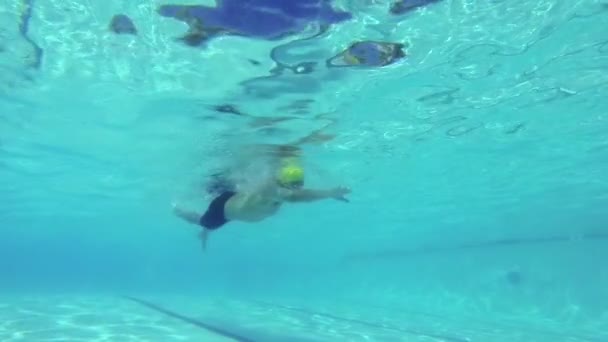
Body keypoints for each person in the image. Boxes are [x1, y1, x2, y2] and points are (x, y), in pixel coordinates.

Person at [173, 156, 351, 250]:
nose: (296, 189)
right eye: (293, 185)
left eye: (298, 185)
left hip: (235, 198)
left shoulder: (282, 189)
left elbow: (298, 194)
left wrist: (329, 193)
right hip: (223, 209)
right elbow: (298, 197)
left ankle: (204, 231)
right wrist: (330, 193)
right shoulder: (274, 190)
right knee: (205, 223)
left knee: (211, 220)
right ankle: (179, 211)